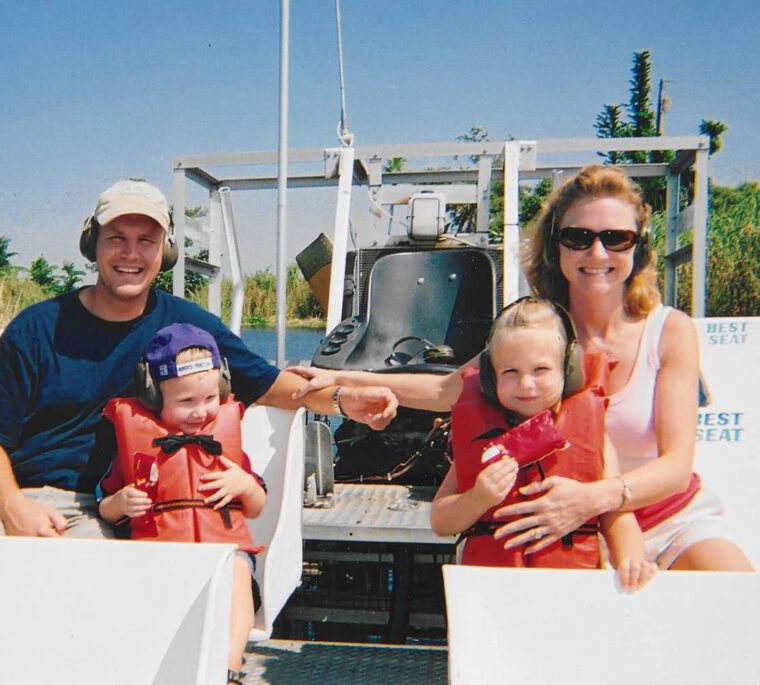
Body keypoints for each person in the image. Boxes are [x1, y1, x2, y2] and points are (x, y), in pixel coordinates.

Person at [291, 165, 753, 572]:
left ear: (639, 247)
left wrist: (592, 499)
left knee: (737, 603)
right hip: (553, 529)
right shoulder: (533, 331)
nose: (597, 254)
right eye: (578, 237)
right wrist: (343, 378)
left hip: (663, 518)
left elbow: (675, 467)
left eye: (616, 238)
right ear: (556, 247)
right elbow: (448, 391)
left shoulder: (671, 332)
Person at [0, 178, 397, 538]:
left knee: (85, 592)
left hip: (97, 508)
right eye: (116, 238)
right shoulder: (36, 327)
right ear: (94, 246)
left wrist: (343, 401)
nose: (130, 254)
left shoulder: (186, 328)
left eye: (146, 240)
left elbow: (271, 385)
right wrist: (11, 506)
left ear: (165, 250)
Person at [431, 298, 655, 591]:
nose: (526, 384)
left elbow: (617, 516)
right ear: (489, 377)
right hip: (495, 592)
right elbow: (440, 521)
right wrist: (477, 498)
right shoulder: (483, 443)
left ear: (568, 371)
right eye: (510, 372)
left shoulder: (594, 438)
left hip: (570, 591)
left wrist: (631, 559)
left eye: (541, 370)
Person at [97, 323, 264, 685]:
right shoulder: (135, 449)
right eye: (185, 402)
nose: (200, 412)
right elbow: (103, 507)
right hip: (160, 556)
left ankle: (228, 669)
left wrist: (245, 485)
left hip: (225, 553)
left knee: (238, 572)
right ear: (154, 397)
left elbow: (256, 507)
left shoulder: (227, 446)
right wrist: (120, 502)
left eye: (209, 400)